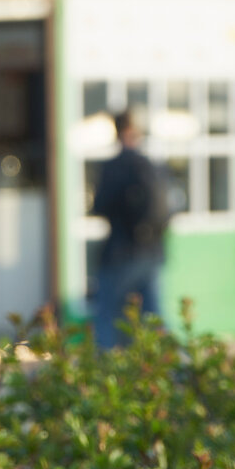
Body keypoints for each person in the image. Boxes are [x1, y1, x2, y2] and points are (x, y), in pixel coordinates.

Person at [90, 109, 168, 349]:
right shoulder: (154, 165)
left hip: (120, 254)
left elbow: (100, 205)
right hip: (152, 253)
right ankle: (172, 371)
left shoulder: (116, 166)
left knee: (108, 317)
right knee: (153, 318)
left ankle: (107, 372)